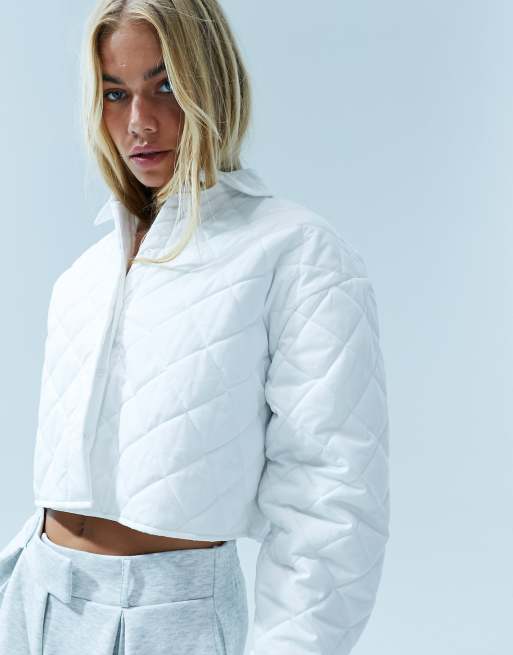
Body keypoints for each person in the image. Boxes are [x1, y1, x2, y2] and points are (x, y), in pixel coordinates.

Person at [0, 1, 391, 654]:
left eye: (165, 87)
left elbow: (332, 504)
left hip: (166, 621)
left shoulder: (296, 252)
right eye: (115, 93)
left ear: (212, 84)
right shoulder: (83, 277)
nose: (139, 121)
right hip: (32, 602)